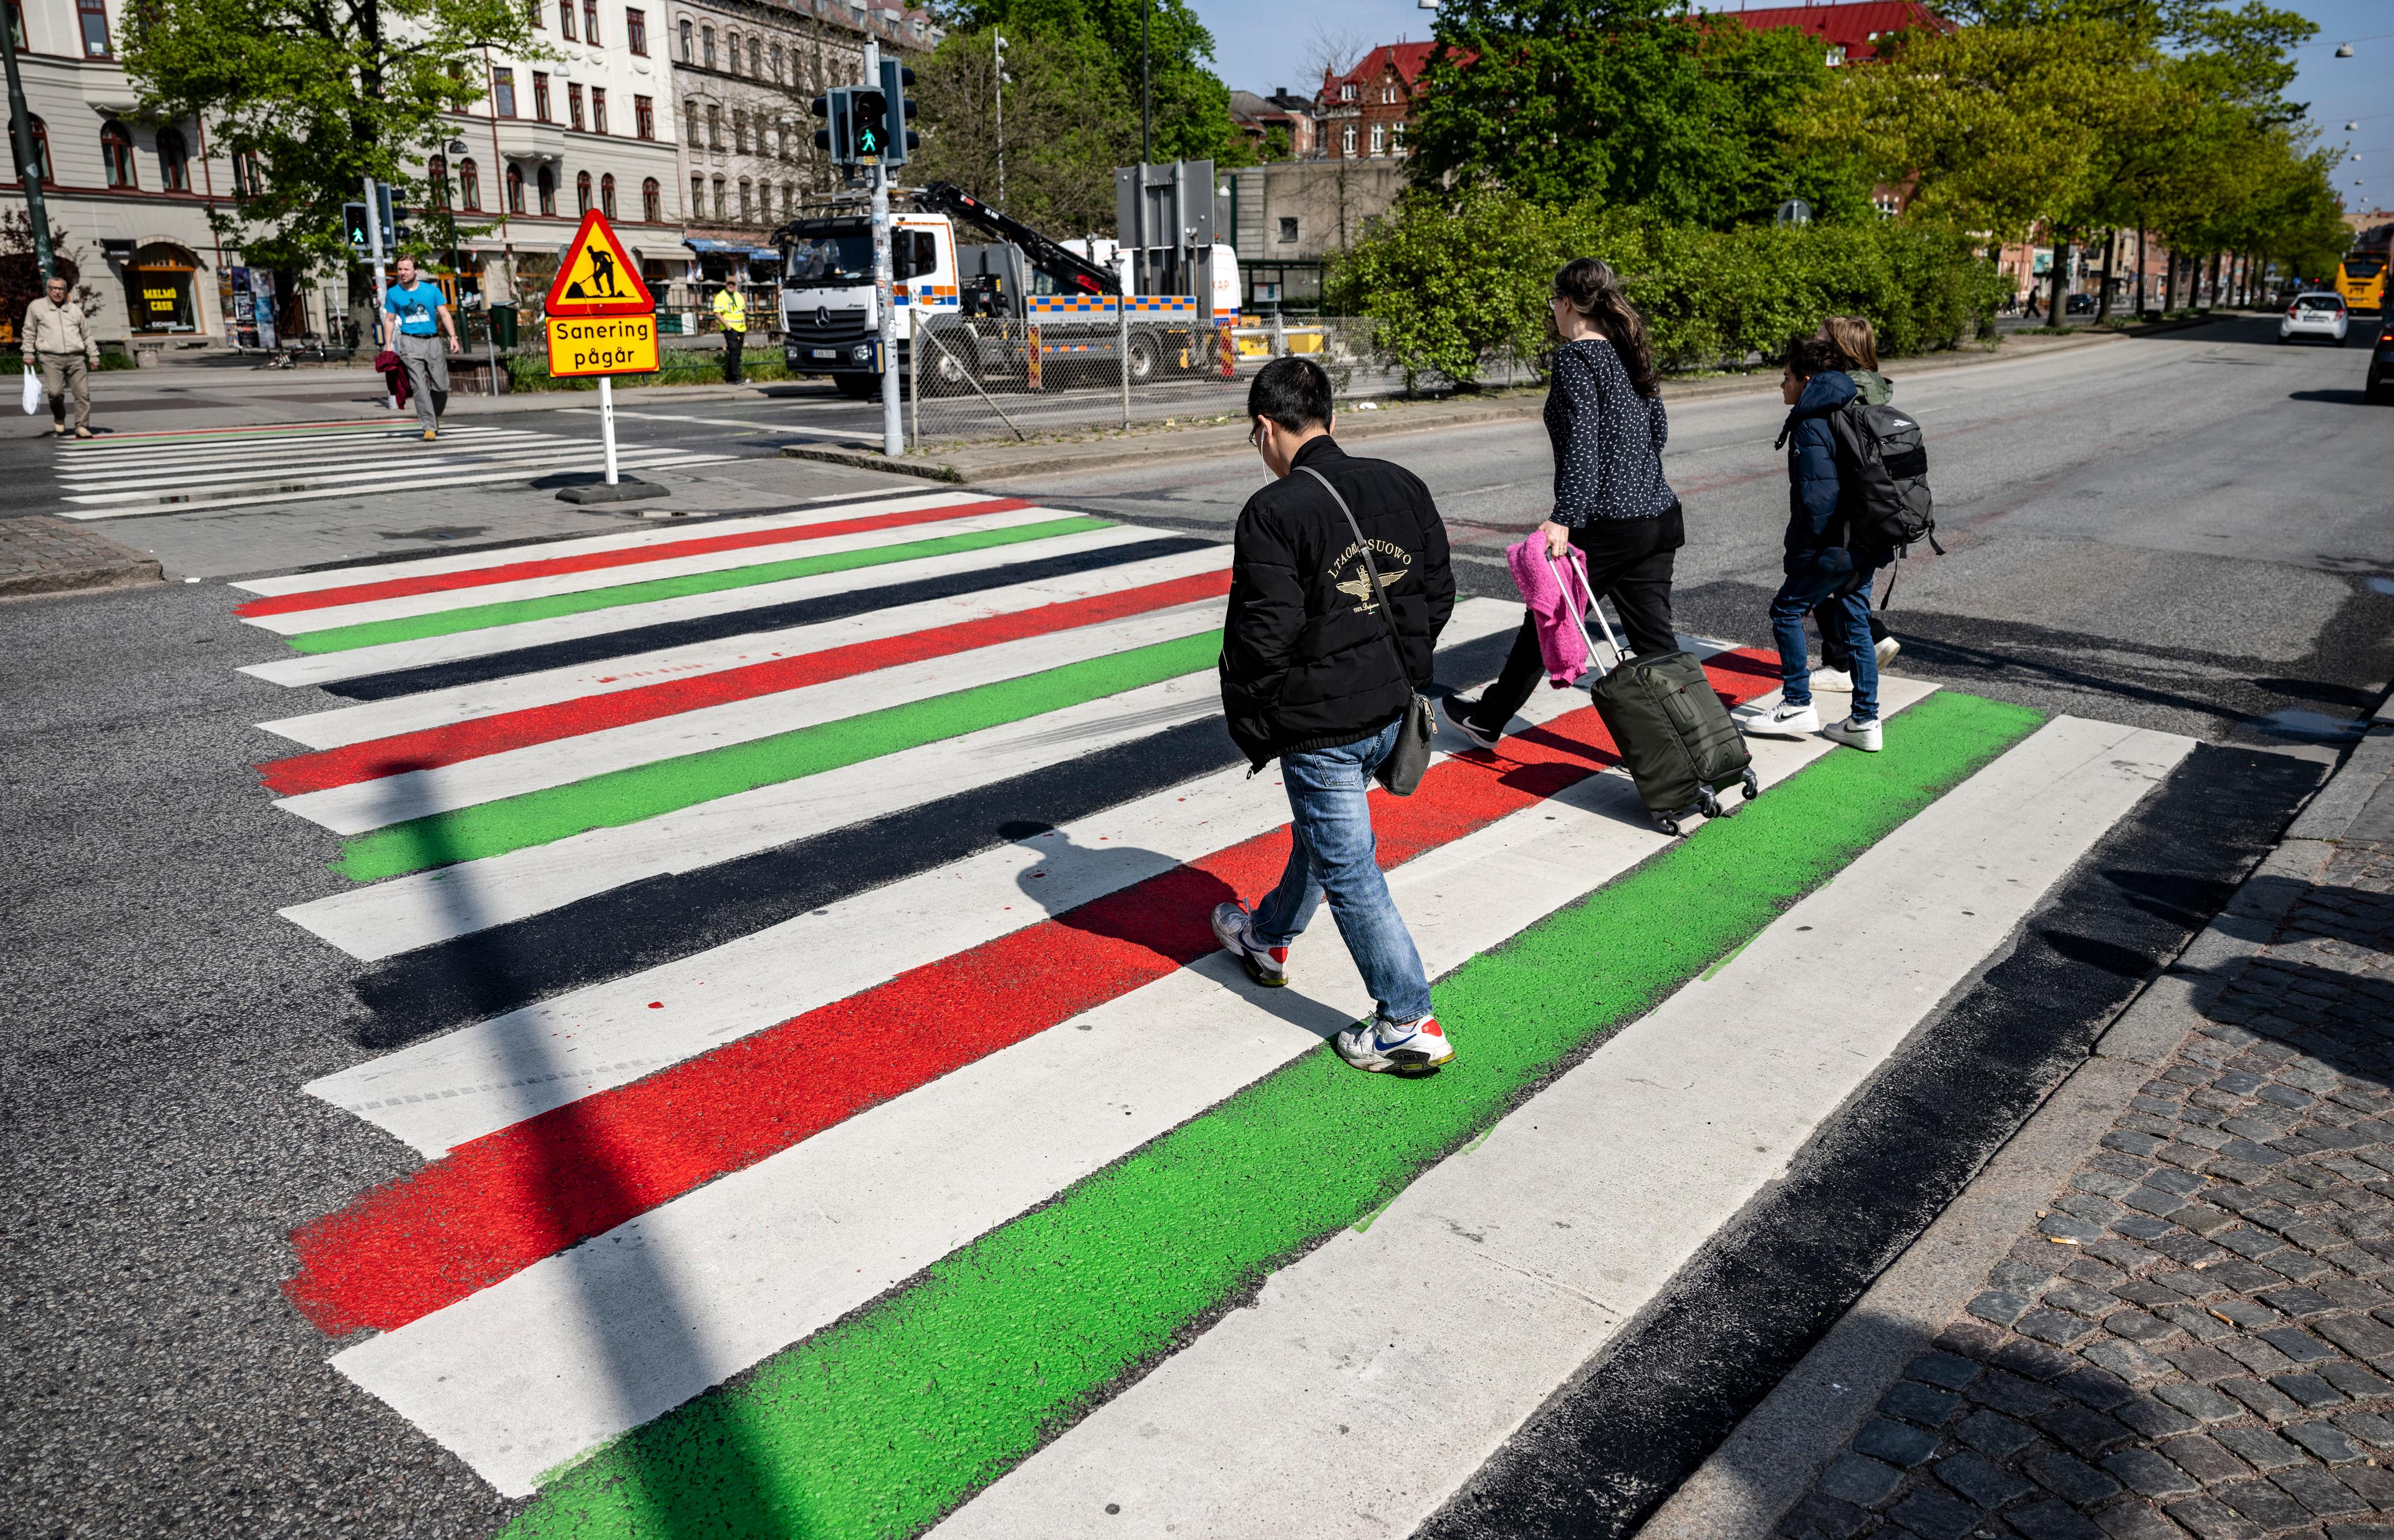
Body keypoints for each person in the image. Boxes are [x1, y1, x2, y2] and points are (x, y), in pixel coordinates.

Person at [1209, 356, 1458, 1075]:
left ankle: (1407, 1018)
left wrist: (1261, 717)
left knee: (1350, 867)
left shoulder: (1274, 511)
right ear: (1330, 418)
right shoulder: (1400, 484)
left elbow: (1265, 637)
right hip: (1392, 706)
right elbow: (1437, 594)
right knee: (1328, 834)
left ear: (1264, 429)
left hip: (1322, 726)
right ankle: (1269, 935)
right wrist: (1399, 666)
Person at [1443, 257, 1681, 750]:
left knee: (1548, 615)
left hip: (1609, 522)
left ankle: (1489, 719)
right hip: (1658, 515)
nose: (1553, 312)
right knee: (1657, 644)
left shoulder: (1576, 358)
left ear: (1567, 303)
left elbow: (1583, 444)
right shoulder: (1631, 351)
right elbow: (1657, 432)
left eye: (1553, 303)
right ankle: (1693, 738)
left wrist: (1563, 518)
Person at [1738, 336, 1882, 751]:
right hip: (1866, 536)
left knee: (1786, 610)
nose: (1781, 386)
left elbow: (1817, 497)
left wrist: (1805, 551)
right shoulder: (1852, 405)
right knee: (1855, 623)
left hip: (1834, 542)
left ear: (1806, 379)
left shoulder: (1812, 421)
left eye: (1785, 378)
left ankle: (1798, 702)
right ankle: (1865, 720)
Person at [1808, 315, 1901, 695]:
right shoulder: (1874, 388)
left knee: (1814, 580)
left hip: (1843, 503)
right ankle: (1866, 643)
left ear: (1839, 349)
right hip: (1875, 503)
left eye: (1820, 338)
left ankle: (1841, 663)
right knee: (1850, 581)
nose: (1813, 343)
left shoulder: (1841, 392)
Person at [380, 256, 460, 441]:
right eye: (400, 269)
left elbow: (444, 314)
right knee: (420, 388)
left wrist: (453, 337)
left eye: (406, 269)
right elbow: (390, 320)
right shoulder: (393, 294)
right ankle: (429, 427)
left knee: (441, 386)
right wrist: (388, 345)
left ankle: (432, 414)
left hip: (432, 341)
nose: (402, 273)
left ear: (416, 271)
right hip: (409, 343)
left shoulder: (431, 291)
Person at [24, 274, 99, 440]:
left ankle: (82, 426)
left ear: (66, 291)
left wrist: (94, 355)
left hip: (76, 357)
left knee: (83, 394)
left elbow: (87, 334)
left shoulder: (74, 309)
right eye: (54, 289)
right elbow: (29, 331)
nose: (57, 292)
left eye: (61, 289)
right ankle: (59, 417)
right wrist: (28, 352)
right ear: (48, 290)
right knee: (55, 393)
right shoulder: (36, 307)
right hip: (50, 358)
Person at [713, 281, 748, 383]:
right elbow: (718, 313)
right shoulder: (721, 296)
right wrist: (728, 326)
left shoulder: (738, 296)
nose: (731, 286)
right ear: (726, 285)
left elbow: (743, 311)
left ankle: (730, 377)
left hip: (741, 328)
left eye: (733, 284)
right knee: (734, 352)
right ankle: (737, 377)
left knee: (738, 352)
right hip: (730, 328)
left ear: (736, 285)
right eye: (729, 284)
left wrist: (744, 324)